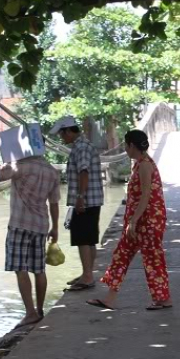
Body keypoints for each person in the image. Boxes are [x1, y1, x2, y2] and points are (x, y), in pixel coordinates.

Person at [87, 130, 172, 311]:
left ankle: (162, 299)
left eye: (126, 145)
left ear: (132, 146)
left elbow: (146, 196)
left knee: (152, 258)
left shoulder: (144, 166)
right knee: (121, 256)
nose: (125, 149)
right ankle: (110, 298)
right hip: (139, 221)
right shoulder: (140, 164)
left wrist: (133, 222)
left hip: (148, 221)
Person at [0, 134, 61, 328]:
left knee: (20, 268)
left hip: (20, 225)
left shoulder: (20, 165)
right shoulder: (52, 171)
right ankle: (39, 310)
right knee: (39, 270)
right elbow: (54, 203)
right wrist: (55, 227)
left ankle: (30, 313)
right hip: (41, 226)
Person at [50, 116, 105, 292]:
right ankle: (87, 273)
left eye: (61, 133)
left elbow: (84, 172)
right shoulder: (84, 145)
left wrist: (80, 197)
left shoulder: (80, 147)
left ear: (68, 130)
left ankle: (88, 277)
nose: (61, 137)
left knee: (82, 238)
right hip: (93, 200)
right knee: (89, 239)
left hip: (86, 201)